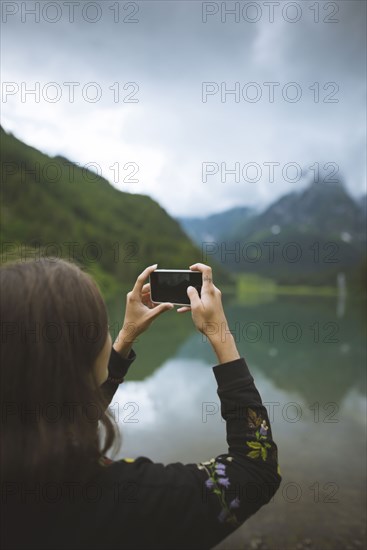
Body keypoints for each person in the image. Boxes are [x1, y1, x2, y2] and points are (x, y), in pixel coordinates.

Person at [0, 258, 281, 550]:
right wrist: (221, 335)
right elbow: (254, 473)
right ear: (84, 356)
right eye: (104, 327)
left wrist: (126, 337)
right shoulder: (131, 497)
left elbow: (64, 417)